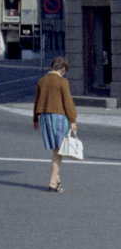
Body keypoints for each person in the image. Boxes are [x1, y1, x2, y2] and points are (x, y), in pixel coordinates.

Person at [33, 56, 78, 193]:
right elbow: (67, 102)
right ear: (62, 69)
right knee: (59, 151)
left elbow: (37, 101)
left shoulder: (42, 81)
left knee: (56, 150)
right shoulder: (62, 82)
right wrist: (73, 120)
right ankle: (53, 181)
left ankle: (57, 182)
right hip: (59, 117)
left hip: (45, 118)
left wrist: (35, 119)